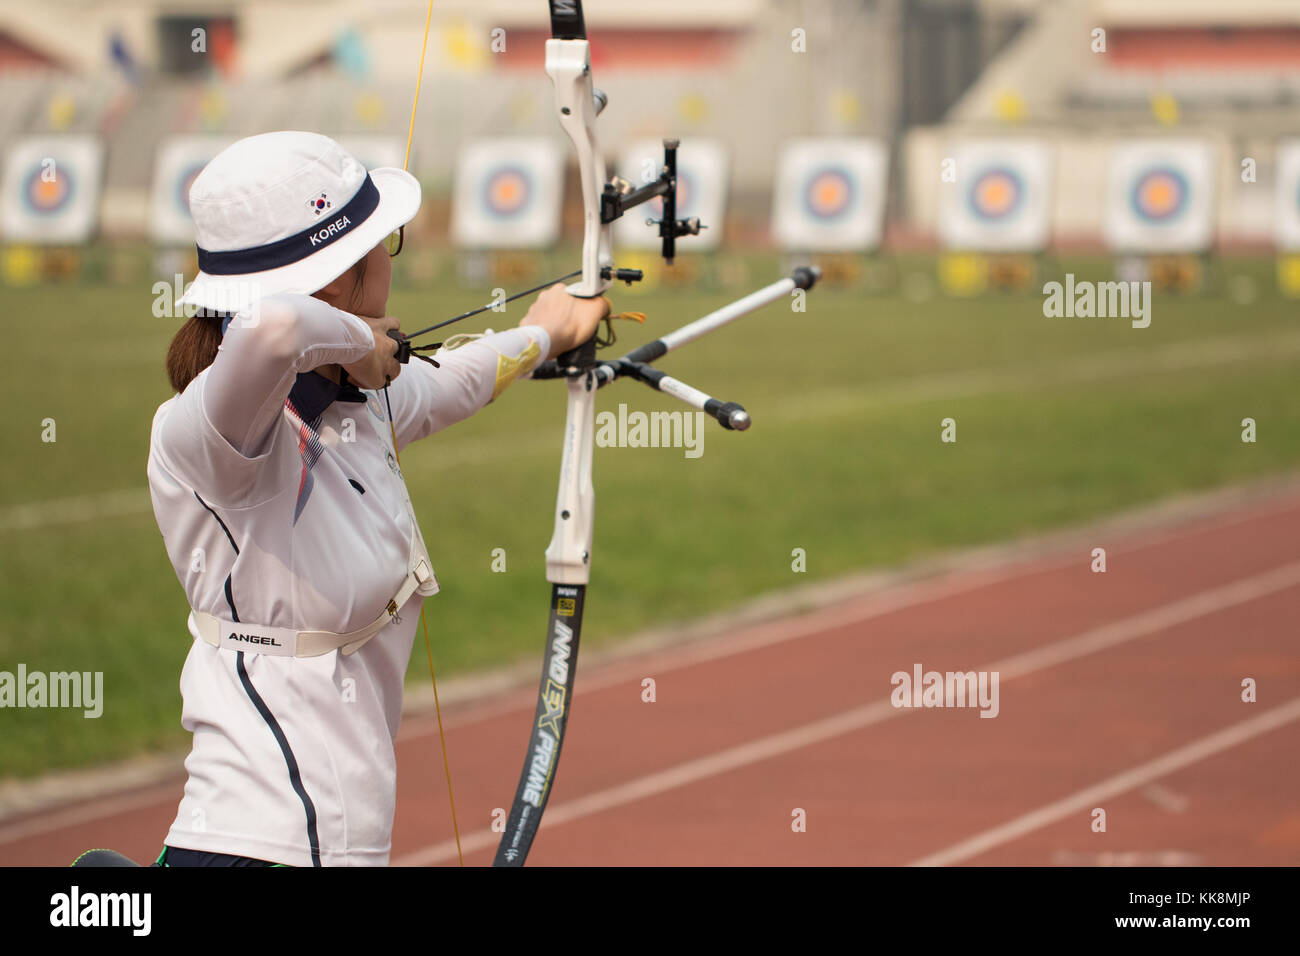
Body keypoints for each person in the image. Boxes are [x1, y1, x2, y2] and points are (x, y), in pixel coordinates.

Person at [146, 131, 608, 866]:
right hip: (263, 843)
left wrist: (544, 335)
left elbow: (457, 377)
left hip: (328, 841)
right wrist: (354, 340)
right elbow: (274, 327)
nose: (391, 259)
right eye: (382, 243)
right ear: (336, 282)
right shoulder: (208, 433)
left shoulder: (349, 399)